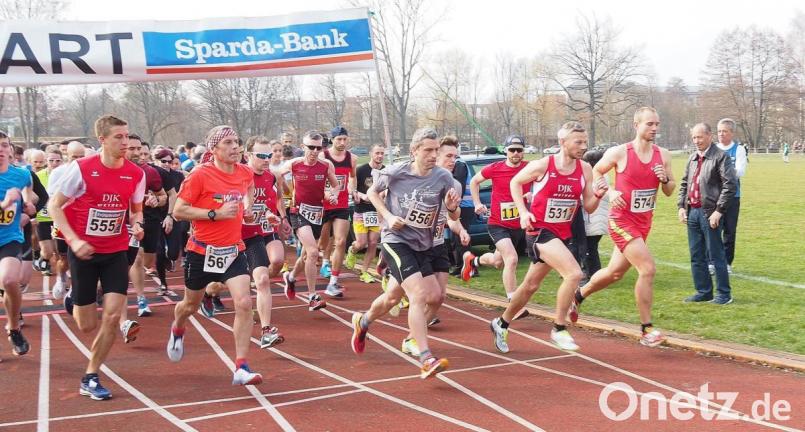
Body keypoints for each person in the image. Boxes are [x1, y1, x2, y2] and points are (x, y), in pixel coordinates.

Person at [47, 115, 146, 400]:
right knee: (86, 324)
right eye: (119, 137)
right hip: (84, 253)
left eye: (127, 136)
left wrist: (137, 225)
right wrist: (74, 240)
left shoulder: (135, 173)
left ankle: (90, 375)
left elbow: (136, 209)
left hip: (115, 251)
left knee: (113, 316)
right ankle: (74, 297)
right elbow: (55, 207)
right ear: (102, 139)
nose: (126, 142)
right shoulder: (81, 170)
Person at [350, 127, 460, 379]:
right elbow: (371, 192)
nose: (433, 155)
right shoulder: (397, 172)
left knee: (398, 298)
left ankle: (363, 321)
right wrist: (388, 216)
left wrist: (452, 208)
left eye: (436, 150)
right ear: (414, 151)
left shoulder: (443, 178)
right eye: (428, 150)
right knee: (419, 294)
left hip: (424, 244)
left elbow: (453, 214)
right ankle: (425, 357)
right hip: (396, 240)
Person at [489, 122, 606, 352]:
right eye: (578, 142)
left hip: (562, 233)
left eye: (585, 142)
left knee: (530, 285)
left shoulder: (584, 169)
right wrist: (523, 212)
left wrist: (599, 195)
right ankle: (559, 328)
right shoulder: (543, 165)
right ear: (562, 142)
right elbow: (515, 182)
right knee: (574, 274)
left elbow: (590, 207)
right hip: (539, 231)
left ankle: (501, 323)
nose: (583, 146)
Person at [570, 107, 676, 347]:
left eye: (657, 124)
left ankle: (578, 295)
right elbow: (596, 170)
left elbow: (669, 191)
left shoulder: (664, 155)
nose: (655, 128)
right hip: (621, 220)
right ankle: (646, 329)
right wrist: (611, 190)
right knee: (648, 269)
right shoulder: (620, 152)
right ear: (636, 125)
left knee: (615, 273)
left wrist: (665, 179)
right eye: (650, 124)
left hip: (643, 221)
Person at [167, 125, 263, 385]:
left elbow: (248, 190)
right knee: (189, 305)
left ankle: (241, 366)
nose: (235, 147)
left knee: (244, 303)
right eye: (229, 143)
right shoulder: (200, 176)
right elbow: (179, 211)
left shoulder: (244, 171)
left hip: (233, 249)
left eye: (237, 142)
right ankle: (178, 327)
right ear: (214, 149)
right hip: (201, 251)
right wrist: (215, 214)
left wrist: (247, 209)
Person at [464, 134, 532, 316]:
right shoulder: (495, 168)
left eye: (519, 150)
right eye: (512, 150)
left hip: (518, 224)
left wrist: (533, 195)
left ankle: (473, 261)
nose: (516, 153)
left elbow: (542, 183)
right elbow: (474, 181)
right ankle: (513, 303)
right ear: (505, 151)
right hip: (497, 223)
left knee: (497, 261)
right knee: (512, 259)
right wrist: (477, 203)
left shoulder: (529, 168)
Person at [280, 131, 340, 310]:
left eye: (318, 148)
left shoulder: (326, 165)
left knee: (307, 254)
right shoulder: (294, 164)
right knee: (314, 253)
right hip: (297, 212)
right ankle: (312, 295)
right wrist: (286, 192)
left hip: (317, 213)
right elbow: (275, 176)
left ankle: (290, 278)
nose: (314, 151)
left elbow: (336, 185)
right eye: (310, 148)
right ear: (303, 147)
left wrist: (333, 195)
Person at [241, 136, 291, 348]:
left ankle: (266, 330)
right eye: (261, 156)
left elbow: (279, 197)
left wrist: (280, 217)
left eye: (269, 155)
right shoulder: (239, 175)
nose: (266, 159)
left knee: (266, 275)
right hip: (237, 235)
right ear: (248, 155)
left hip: (261, 231)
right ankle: (210, 293)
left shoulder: (272, 176)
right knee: (217, 284)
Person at [678, 123, 736, 304]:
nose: (696, 141)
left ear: (709, 136)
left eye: (700, 137)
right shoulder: (692, 158)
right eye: (694, 137)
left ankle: (724, 294)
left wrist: (719, 211)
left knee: (716, 254)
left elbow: (730, 185)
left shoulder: (721, 157)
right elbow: (684, 184)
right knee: (696, 255)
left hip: (710, 213)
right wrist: (681, 206)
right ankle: (703, 291)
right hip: (692, 213)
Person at [0, 130, 37, 359]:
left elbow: (30, 196)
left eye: (4, 145)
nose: (0, 151)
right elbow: (9, 202)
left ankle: (14, 327)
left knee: (9, 279)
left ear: (10, 150)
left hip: (9, 239)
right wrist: (5, 203)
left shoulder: (22, 174)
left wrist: (29, 207)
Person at [317, 126, 357, 297]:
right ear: (332, 140)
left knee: (340, 242)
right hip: (324, 205)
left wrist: (352, 190)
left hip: (341, 205)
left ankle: (333, 282)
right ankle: (305, 264)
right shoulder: (323, 157)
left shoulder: (352, 158)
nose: (342, 143)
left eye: (344, 139)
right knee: (321, 244)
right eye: (339, 139)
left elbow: (353, 177)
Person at [48, 142, 86, 303]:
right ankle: (61, 277)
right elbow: (53, 198)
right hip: (63, 220)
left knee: (83, 257)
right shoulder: (58, 173)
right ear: (66, 157)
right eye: (74, 157)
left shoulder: (89, 171)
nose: (77, 160)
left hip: (83, 221)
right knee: (64, 258)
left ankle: (79, 290)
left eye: (81, 157)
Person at [345, 144, 386, 283]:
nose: (380, 156)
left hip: (376, 212)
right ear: (371, 153)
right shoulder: (361, 170)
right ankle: (352, 250)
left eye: (382, 153)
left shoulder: (386, 171)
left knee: (373, 243)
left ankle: (365, 272)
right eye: (377, 153)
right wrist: (361, 195)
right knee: (361, 243)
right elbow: (350, 186)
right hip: (361, 211)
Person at [714, 118, 747, 274]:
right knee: (713, 229)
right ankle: (712, 262)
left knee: (729, 231)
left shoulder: (738, 149)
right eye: (719, 131)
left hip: (732, 197)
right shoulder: (713, 149)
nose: (721, 134)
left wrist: (723, 172)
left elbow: (740, 171)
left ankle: (727, 263)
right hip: (714, 196)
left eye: (724, 131)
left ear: (732, 133)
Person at [580, 150, 608, 280]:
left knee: (588, 249)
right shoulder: (603, 177)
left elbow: (584, 197)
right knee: (591, 248)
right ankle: (590, 272)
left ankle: (593, 274)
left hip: (592, 220)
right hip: (599, 220)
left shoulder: (594, 179)